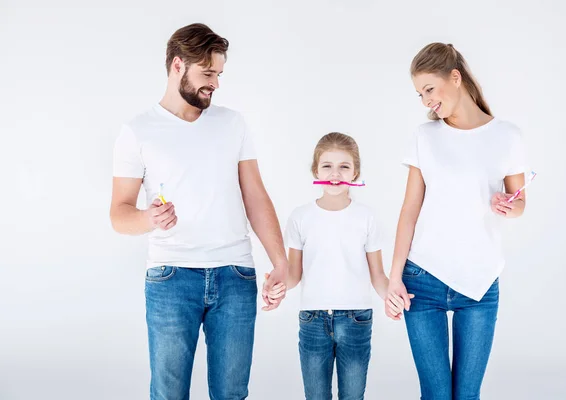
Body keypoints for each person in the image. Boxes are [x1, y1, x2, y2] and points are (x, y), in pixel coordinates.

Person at [110, 23, 288, 400]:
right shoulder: (138, 131)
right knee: (169, 393)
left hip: (235, 275)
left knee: (232, 394)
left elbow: (255, 196)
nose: (216, 84)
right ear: (178, 65)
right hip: (171, 279)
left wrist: (280, 260)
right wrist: (147, 218)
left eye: (219, 74)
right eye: (208, 73)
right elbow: (118, 214)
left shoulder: (232, 123)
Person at [385, 43, 529, 400]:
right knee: (435, 394)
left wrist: (511, 208)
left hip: (479, 284)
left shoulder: (507, 135)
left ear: (455, 77)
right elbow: (409, 210)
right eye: (419, 94)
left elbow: (520, 200)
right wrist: (394, 278)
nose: (425, 101)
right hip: (422, 281)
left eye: (429, 89)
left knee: (466, 396)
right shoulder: (425, 136)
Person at [266, 132, 392, 400]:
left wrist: (393, 296)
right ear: (316, 170)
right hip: (313, 320)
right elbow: (294, 275)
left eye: (344, 166)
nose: (335, 174)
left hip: (356, 319)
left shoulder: (367, 217)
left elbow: (378, 276)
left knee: (353, 396)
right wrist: (277, 286)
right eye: (327, 166)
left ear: (355, 173)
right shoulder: (300, 217)